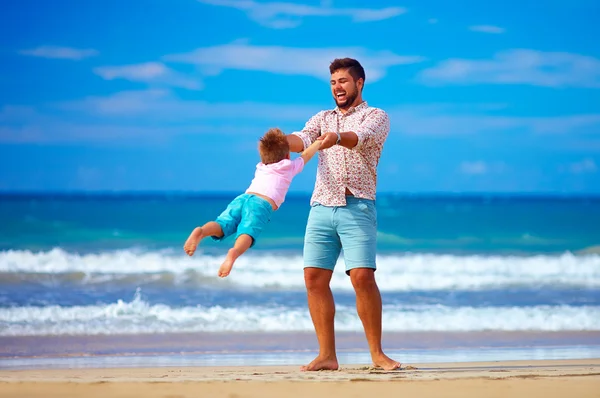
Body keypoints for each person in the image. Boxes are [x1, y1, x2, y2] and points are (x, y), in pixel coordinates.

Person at [286, 58, 401, 371]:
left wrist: (337, 138)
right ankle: (327, 356)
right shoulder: (322, 118)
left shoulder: (376, 116)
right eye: (334, 82)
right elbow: (303, 138)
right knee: (313, 278)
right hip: (321, 206)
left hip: (358, 206)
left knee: (362, 277)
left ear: (359, 83)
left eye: (343, 81)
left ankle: (377, 355)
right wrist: (282, 142)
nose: (338, 87)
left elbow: (359, 139)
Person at [183, 128, 321, 277]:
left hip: (243, 198)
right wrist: (318, 143)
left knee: (223, 223)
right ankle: (234, 253)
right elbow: (306, 155)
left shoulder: (261, 166)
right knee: (248, 232)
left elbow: (274, 151)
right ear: (287, 155)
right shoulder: (288, 167)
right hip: (261, 204)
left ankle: (202, 231)